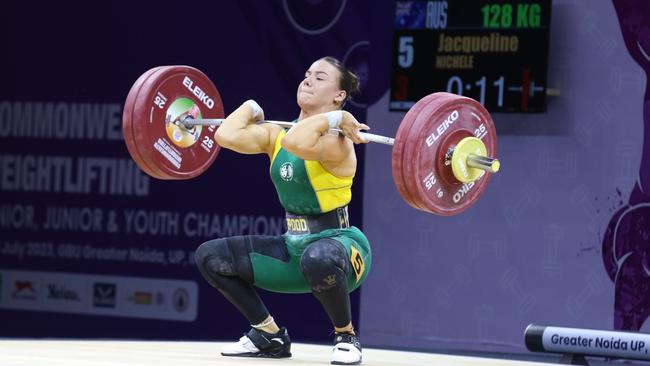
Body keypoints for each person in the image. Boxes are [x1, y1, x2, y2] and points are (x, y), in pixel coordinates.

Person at [194, 56, 372, 365]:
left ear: (339, 96)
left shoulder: (339, 142)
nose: (307, 80)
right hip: (294, 249)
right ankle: (268, 335)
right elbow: (225, 136)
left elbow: (296, 140)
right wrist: (251, 107)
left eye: (319, 78)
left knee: (318, 258)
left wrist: (337, 121)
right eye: (306, 74)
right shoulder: (275, 135)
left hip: (341, 250)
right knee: (210, 257)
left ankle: (346, 336)